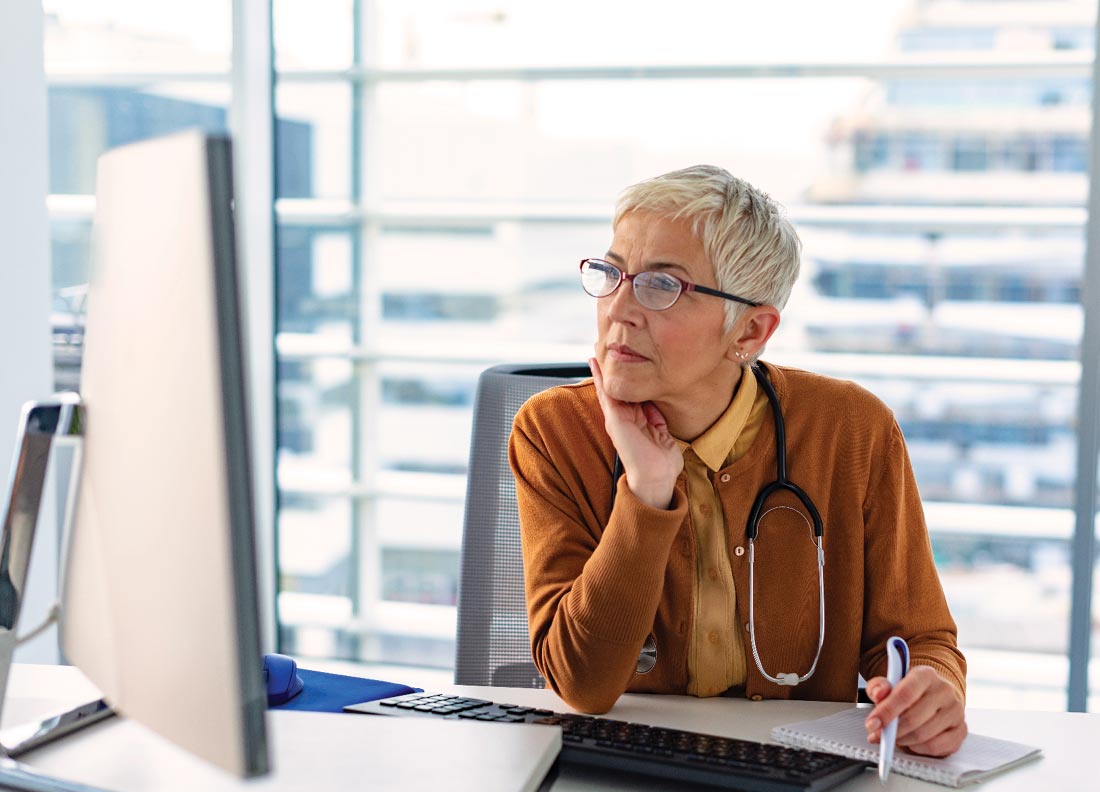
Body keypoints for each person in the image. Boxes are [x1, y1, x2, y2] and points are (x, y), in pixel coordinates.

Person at [508, 165, 968, 758]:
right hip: (625, 767)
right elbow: (582, 684)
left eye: (660, 286)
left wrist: (933, 692)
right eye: (612, 273)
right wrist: (647, 490)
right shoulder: (555, 431)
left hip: (793, 768)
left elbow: (919, 640)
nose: (618, 310)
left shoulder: (851, 430)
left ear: (750, 330)